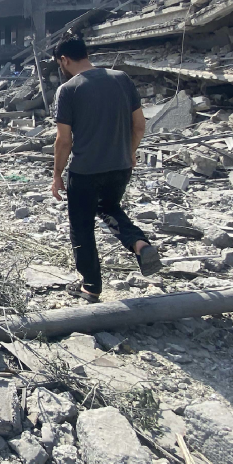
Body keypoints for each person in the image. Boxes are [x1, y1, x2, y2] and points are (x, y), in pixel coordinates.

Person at [51, 34, 161, 304]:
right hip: (120, 166)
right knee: (109, 208)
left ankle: (91, 286)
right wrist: (131, 151)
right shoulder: (121, 78)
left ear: (64, 60)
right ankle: (139, 244)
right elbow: (139, 125)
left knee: (82, 227)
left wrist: (56, 175)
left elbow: (63, 140)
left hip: (85, 171)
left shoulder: (68, 90)